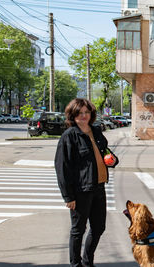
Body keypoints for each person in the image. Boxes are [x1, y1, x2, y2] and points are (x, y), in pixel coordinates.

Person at [55, 98, 114, 267]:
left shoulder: (95, 131)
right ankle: (76, 264)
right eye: (79, 113)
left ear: (91, 114)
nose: (83, 116)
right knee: (78, 230)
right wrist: (68, 197)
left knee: (99, 227)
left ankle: (88, 262)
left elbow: (105, 152)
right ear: (73, 115)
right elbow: (62, 168)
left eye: (86, 112)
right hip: (81, 190)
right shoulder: (69, 136)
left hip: (99, 187)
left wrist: (112, 160)